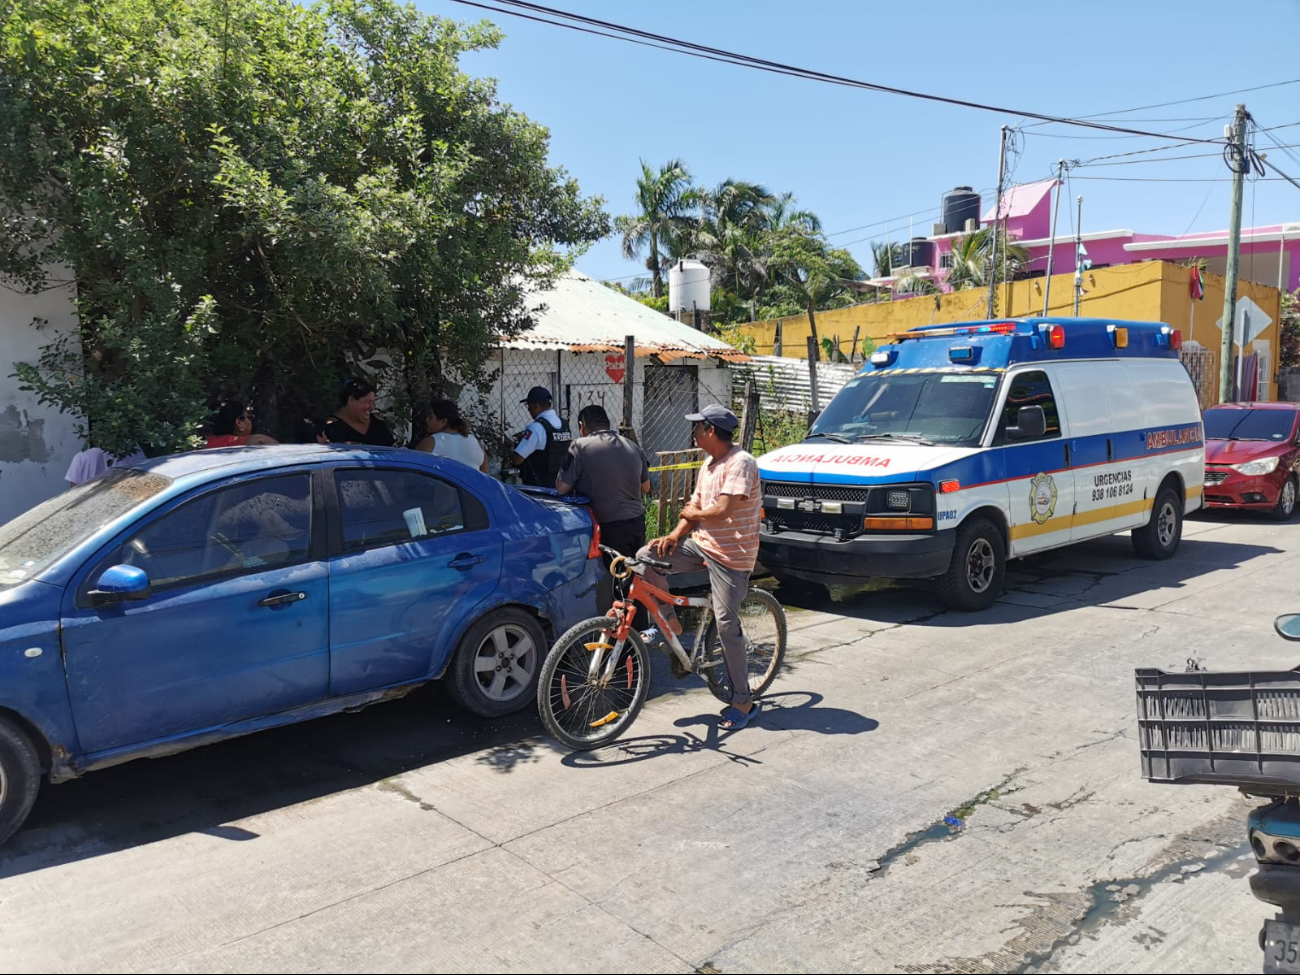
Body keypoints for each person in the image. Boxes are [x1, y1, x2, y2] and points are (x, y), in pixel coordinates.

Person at [637, 404, 763, 731]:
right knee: (646, 557)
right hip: (702, 544)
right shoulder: (708, 463)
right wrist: (674, 535)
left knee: (725, 624)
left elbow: (723, 509)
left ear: (710, 431)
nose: (693, 432)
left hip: (732, 557)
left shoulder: (741, 463)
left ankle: (743, 700)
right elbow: (694, 505)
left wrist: (693, 518)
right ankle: (670, 624)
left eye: (698, 427)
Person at [557, 404, 649, 558]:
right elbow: (646, 487)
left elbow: (561, 487)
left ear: (582, 426)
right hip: (637, 524)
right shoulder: (632, 445)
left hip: (607, 527)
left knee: (613, 576)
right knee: (631, 574)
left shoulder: (580, 446)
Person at [510, 386, 572, 487]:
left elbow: (517, 459)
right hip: (562, 484)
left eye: (528, 405)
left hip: (539, 487)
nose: (528, 409)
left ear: (536, 405)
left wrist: (510, 447)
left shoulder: (536, 428)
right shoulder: (564, 424)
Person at [413, 399, 489, 472]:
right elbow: (483, 477)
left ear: (443, 422)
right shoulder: (477, 444)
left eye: (430, 417)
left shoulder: (431, 442)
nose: (426, 420)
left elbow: (414, 471)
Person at [324, 378, 395, 446]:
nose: (372, 407)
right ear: (351, 399)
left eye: (373, 402)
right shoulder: (332, 428)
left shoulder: (377, 424)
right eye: (368, 402)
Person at [205, 402, 278, 449]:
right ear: (239, 423)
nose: (250, 421)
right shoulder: (258, 440)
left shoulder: (208, 443)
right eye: (248, 417)